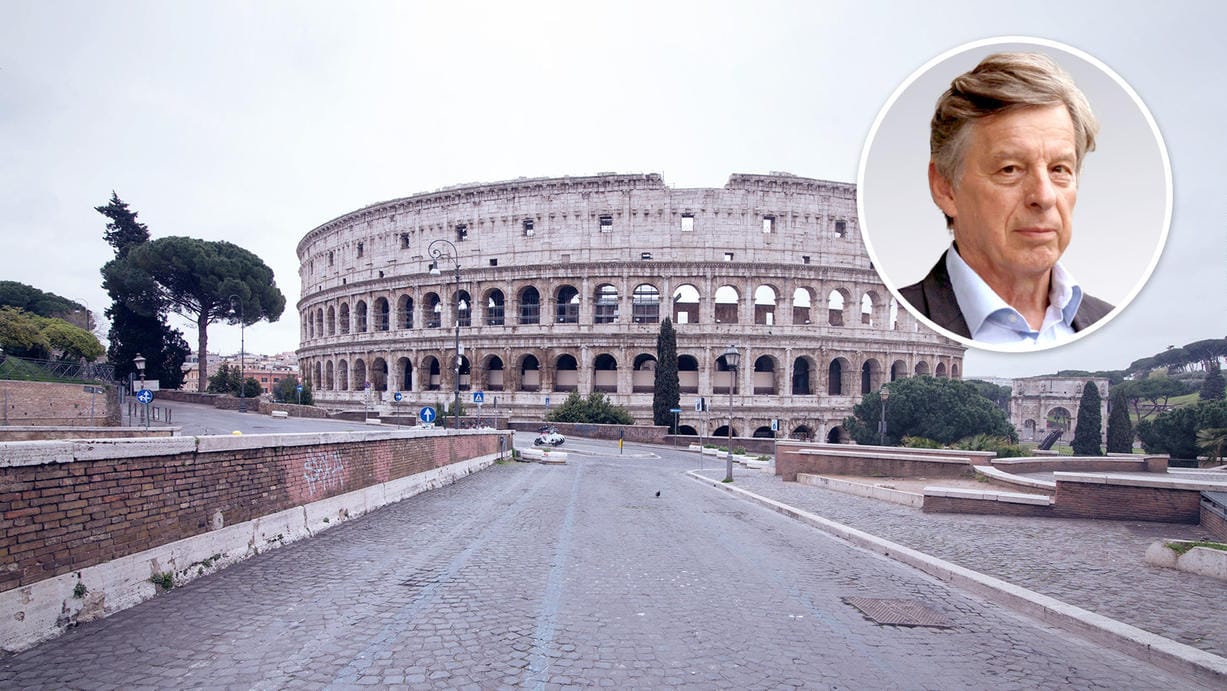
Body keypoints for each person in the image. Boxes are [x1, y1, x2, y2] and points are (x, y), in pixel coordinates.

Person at [900, 52, 1113, 346]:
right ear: (945, 187)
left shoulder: (1105, 318)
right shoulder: (906, 311)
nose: (1044, 196)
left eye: (1059, 169)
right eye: (1010, 169)